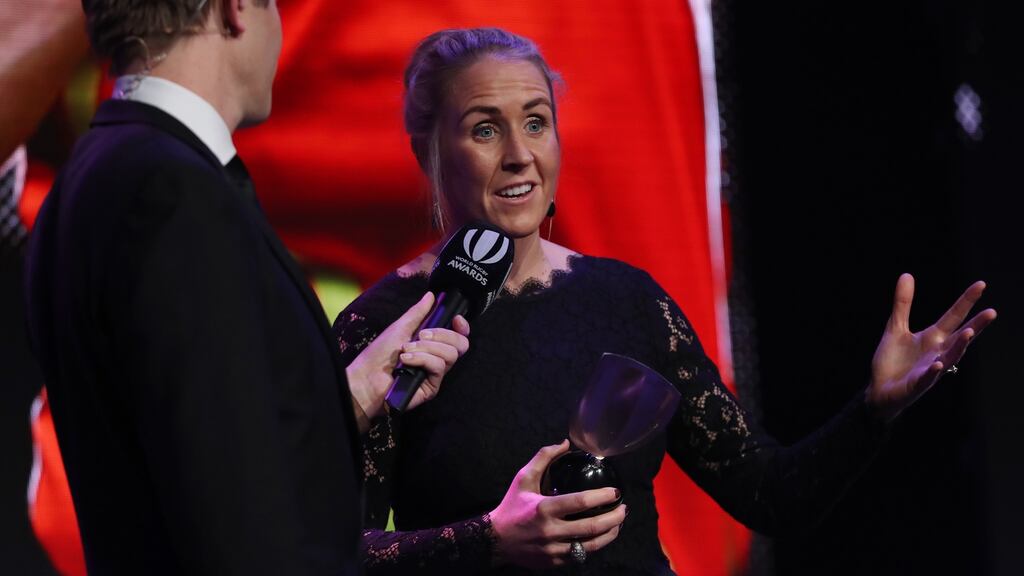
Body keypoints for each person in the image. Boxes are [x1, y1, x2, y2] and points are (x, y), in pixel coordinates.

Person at [331, 28, 998, 575]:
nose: (519, 156)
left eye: (536, 123)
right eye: (484, 130)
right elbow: (327, 554)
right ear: (427, 152)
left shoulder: (628, 300)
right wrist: (487, 540)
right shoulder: (384, 332)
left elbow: (769, 494)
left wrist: (873, 409)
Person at [24, 2, 470, 574]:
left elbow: (210, 445)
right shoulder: (172, 197)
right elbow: (235, 523)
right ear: (236, 9)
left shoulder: (100, 170)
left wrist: (351, 398)